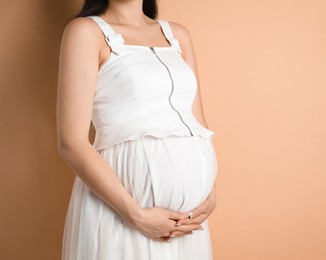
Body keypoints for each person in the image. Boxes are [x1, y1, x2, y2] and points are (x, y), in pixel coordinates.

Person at [56, 0, 218, 259]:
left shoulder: (178, 35)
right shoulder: (85, 32)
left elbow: (198, 125)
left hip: (189, 223)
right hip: (122, 214)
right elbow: (71, 142)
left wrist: (208, 195)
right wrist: (136, 215)